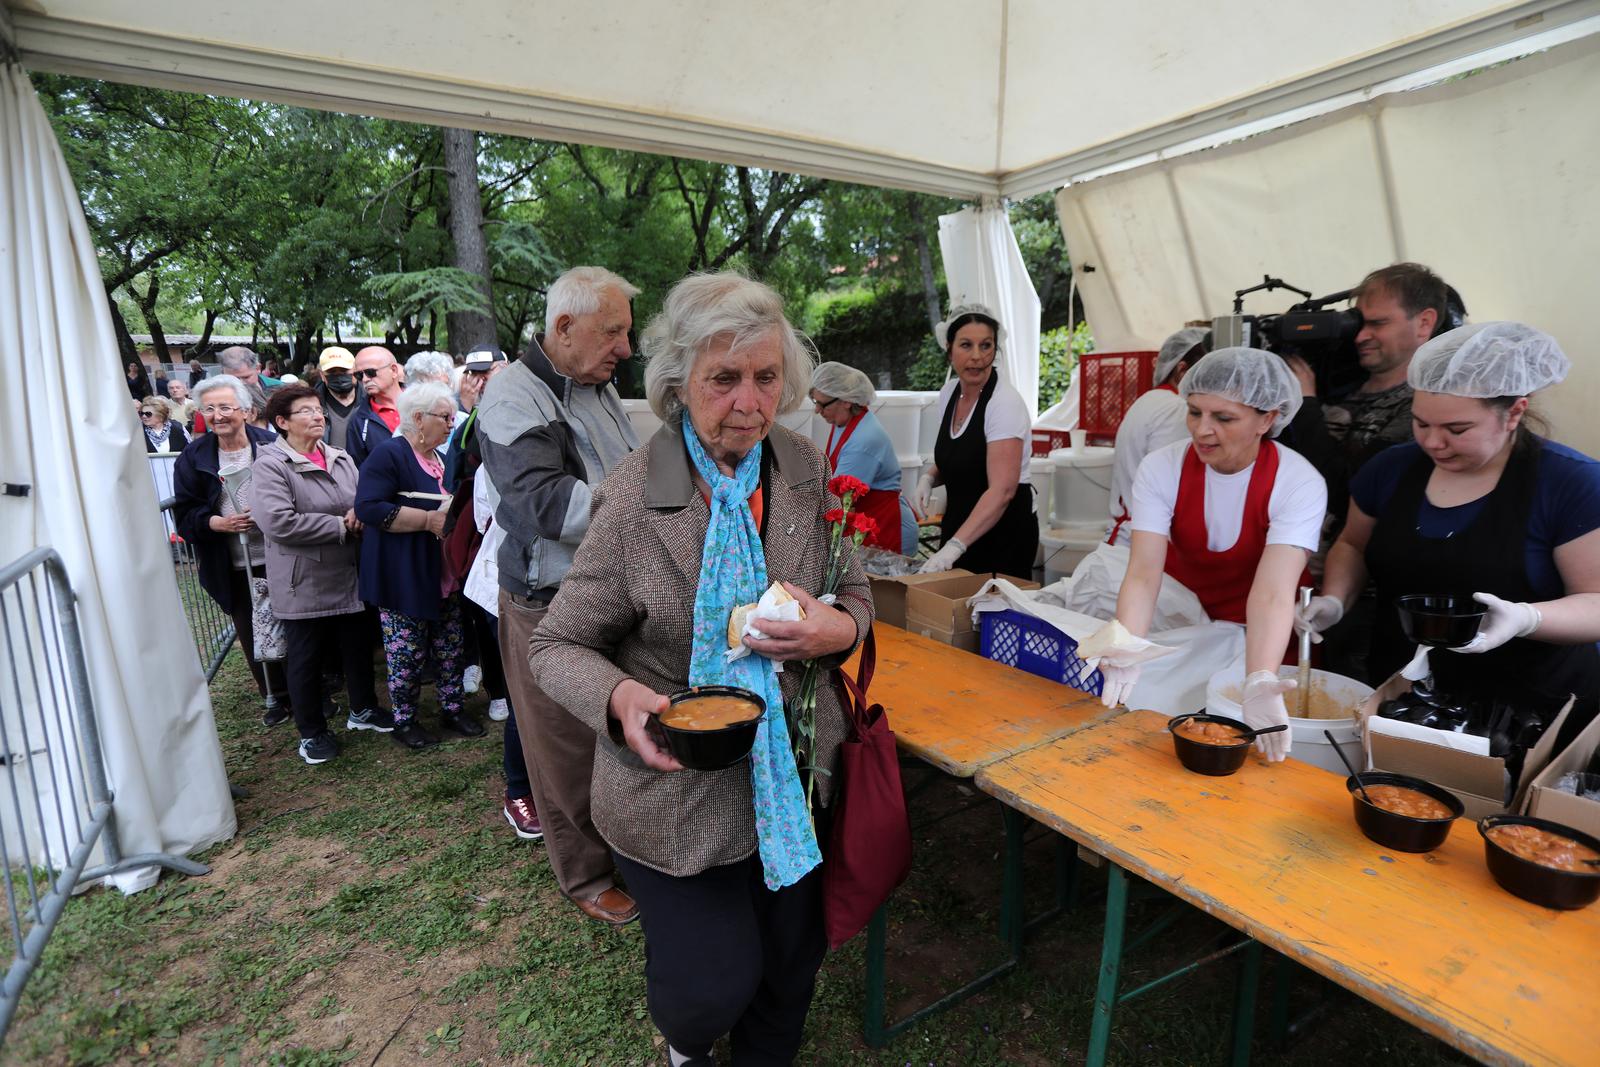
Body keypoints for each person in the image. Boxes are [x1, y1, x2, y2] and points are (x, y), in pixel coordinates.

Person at [527, 272, 873, 1064]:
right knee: (709, 988)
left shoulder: (804, 468)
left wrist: (838, 624)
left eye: (764, 376)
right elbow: (555, 645)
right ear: (680, 384)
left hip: (791, 773)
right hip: (678, 786)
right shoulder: (633, 496)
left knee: (790, 972)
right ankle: (689, 1046)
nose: (747, 401)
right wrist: (619, 696)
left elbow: (853, 585)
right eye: (723, 379)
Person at [1299, 323, 1600, 743]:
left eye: (1457, 430)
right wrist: (1336, 598)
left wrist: (1526, 618)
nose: (1434, 443)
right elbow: (1352, 544)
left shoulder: (1571, 484)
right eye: (1421, 424)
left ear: (1514, 412)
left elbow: (1596, 602)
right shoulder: (1390, 469)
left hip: (1529, 708)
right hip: (1404, 692)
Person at [476, 265, 642, 926]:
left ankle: (625, 843)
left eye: (626, 333)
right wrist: (650, 503)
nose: (625, 348)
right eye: (613, 332)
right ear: (563, 327)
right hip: (550, 599)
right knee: (562, 744)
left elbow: (620, 464)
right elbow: (543, 502)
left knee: (613, 727)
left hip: (610, 585)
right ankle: (585, 875)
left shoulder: (593, 381)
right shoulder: (513, 396)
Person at [1099, 348, 1326, 762]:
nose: (1202, 430)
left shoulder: (1297, 482)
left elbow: (1274, 593)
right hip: (1195, 623)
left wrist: (1259, 679)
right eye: (1194, 412)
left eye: (1223, 418)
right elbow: (1144, 572)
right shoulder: (1161, 468)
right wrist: (1127, 645)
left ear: (1268, 418)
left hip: (1267, 635)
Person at [251, 385, 393, 764]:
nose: (318, 416)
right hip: (302, 579)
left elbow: (364, 498)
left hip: (348, 570)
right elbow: (277, 522)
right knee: (306, 657)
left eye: (319, 410)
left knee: (357, 644)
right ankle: (311, 732)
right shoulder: (270, 465)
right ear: (282, 422)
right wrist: (341, 526)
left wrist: (362, 512)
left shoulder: (341, 457)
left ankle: (362, 708)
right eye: (306, 411)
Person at [354, 381, 484, 748]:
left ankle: (452, 708)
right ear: (417, 418)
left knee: (449, 645)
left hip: (440, 574)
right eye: (444, 417)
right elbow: (368, 507)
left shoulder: (439, 460)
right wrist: (427, 521)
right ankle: (405, 720)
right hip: (403, 574)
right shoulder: (388, 455)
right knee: (406, 652)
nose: (449, 424)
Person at [171, 374, 291, 724]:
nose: (217, 415)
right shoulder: (193, 457)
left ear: (246, 410)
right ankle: (274, 696)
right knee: (250, 627)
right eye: (209, 409)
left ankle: (306, 689)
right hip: (232, 561)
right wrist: (216, 523)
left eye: (225, 406)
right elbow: (185, 513)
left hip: (280, 554)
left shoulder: (272, 445)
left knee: (293, 624)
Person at [914, 304, 1037, 578]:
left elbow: (1003, 490)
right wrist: (929, 478)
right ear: (949, 348)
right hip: (961, 522)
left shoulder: (1004, 403)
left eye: (986, 346)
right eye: (966, 345)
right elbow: (960, 455)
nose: (977, 357)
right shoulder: (949, 394)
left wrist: (954, 547)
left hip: (1003, 532)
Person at [1105, 326, 1210, 546]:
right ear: (1182, 370)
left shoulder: (1151, 399)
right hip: (1149, 538)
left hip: (1133, 532)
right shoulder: (1177, 409)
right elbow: (1169, 483)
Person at [809, 362, 915, 552]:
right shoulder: (843, 423)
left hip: (885, 527)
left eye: (822, 404)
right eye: (815, 402)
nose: (817, 411)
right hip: (868, 524)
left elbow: (837, 499)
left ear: (847, 401)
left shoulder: (863, 440)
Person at [346, 345, 404, 467]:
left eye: (370, 372)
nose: (365, 379)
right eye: (359, 375)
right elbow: (359, 469)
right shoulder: (358, 420)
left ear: (393, 370)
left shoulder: (424, 404)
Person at [404, 351, 466, 459]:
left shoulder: (464, 421)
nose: (443, 393)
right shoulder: (405, 433)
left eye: (445, 385)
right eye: (434, 388)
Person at [315, 346, 361, 447]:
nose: (339, 376)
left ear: (355, 370)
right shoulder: (312, 406)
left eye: (344, 370)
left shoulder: (371, 400)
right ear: (322, 375)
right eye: (332, 372)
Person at [218, 346, 275, 418]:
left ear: (258, 368)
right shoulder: (215, 396)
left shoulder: (281, 389)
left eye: (246, 377)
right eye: (234, 379)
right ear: (223, 373)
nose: (241, 383)